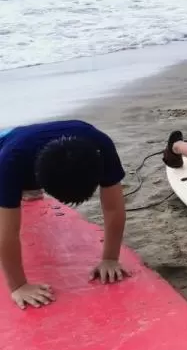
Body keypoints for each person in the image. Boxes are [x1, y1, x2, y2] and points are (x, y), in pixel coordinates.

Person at [0, 121, 130, 309]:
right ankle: (24, 189)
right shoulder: (9, 162)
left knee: (24, 189)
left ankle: (27, 190)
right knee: (9, 192)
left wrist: (110, 258)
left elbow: (113, 207)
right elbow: (7, 234)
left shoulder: (101, 147)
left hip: (60, 138)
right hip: (8, 142)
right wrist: (18, 286)